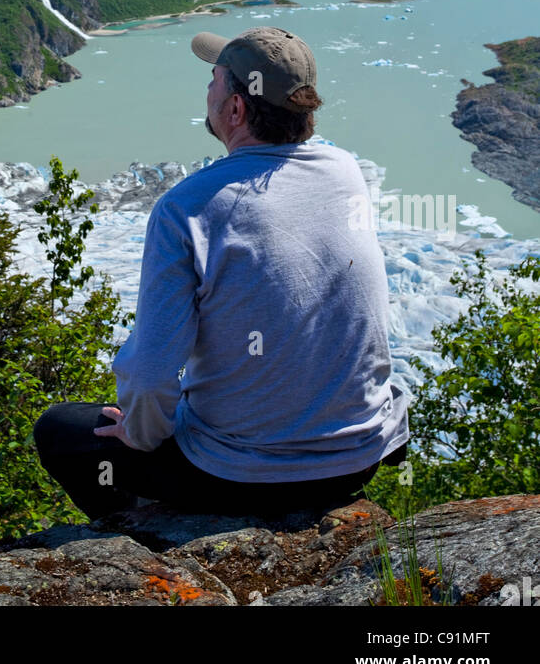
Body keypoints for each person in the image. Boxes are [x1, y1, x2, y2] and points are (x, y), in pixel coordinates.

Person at [33, 26, 410, 520]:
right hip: (359, 459)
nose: (206, 92)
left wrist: (139, 435)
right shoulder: (345, 171)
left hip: (240, 475)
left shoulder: (188, 207)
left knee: (60, 429)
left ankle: (135, 528)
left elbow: (149, 376)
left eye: (214, 81)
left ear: (235, 109)